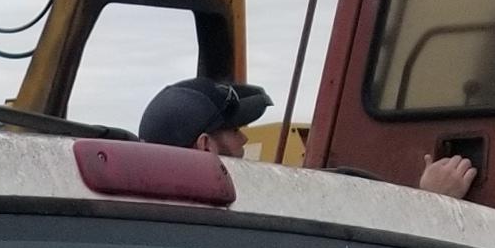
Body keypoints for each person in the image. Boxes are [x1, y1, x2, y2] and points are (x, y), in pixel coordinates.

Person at [137, 75, 477, 197]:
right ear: (205, 145)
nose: (243, 142)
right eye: (235, 130)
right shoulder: (236, 226)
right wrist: (433, 201)